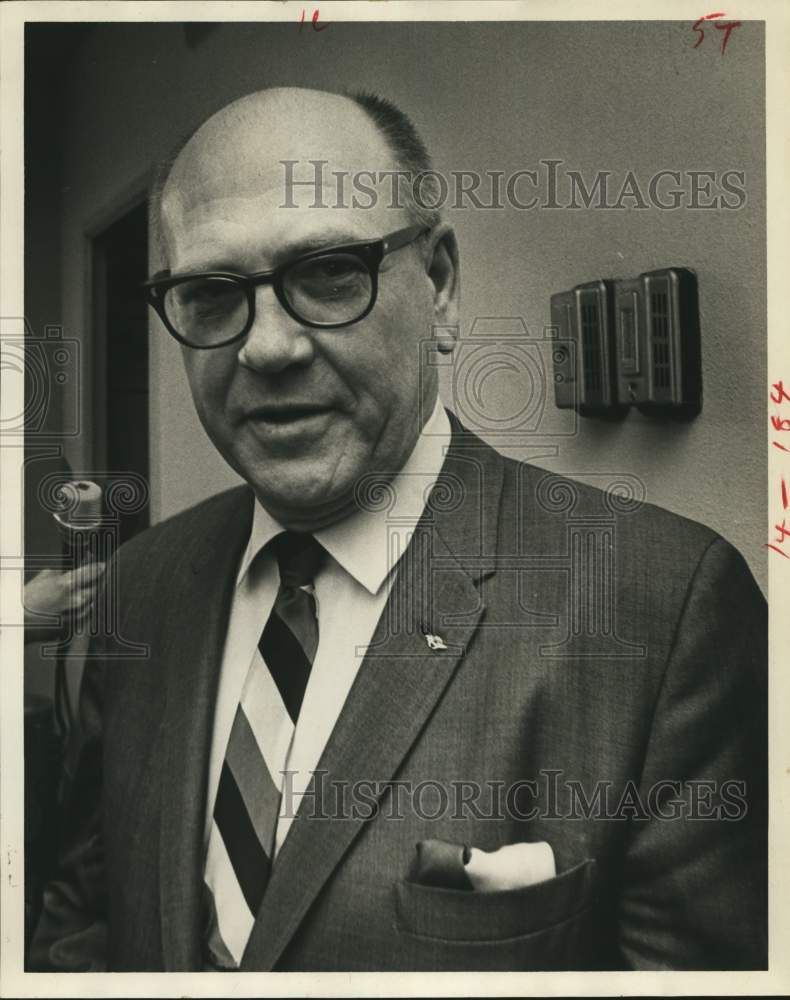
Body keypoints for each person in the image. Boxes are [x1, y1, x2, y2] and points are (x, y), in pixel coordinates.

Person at [30, 87, 767, 973]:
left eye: (330, 272)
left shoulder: (663, 613)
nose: (267, 348)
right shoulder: (141, 586)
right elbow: (82, 919)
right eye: (211, 293)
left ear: (441, 286)